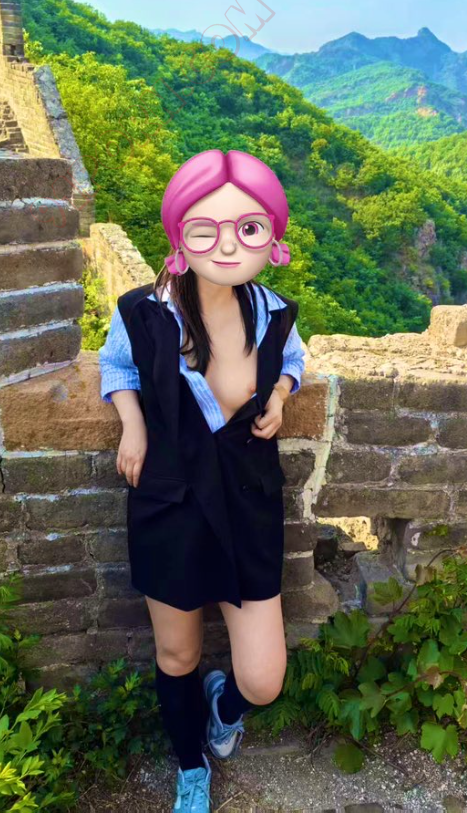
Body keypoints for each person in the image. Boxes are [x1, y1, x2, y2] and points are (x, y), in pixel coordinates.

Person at [98, 148, 305, 812]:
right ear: (179, 237)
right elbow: (116, 367)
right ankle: (191, 764)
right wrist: (132, 424)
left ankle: (226, 706)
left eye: (249, 228)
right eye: (206, 229)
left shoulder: (272, 311)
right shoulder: (144, 312)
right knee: (178, 654)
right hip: (172, 500)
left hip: (247, 499)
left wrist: (281, 394)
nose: (228, 244)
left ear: (272, 238)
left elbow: (294, 359)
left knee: (263, 678)